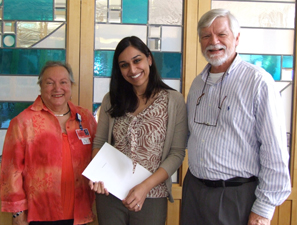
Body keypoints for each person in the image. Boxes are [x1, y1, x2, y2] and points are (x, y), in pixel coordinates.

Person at [181, 8, 291, 225]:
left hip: (236, 196)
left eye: (222, 34)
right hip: (194, 192)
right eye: (206, 36)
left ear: (237, 38)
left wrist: (263, 211)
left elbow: (274, 151)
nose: (214, 41)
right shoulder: (196, 84)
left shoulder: (258, 82)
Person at [89, 36, 188, 225]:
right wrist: (97, 175)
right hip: (110, 193)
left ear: (149, 59)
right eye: (124, 65)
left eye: (137, 60)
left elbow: (176, 154)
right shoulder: (111, 99)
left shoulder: (173, 101)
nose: (133, 70)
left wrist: (145, 187)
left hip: (152, 195)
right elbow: (99, 143)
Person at [0, 61, 97, 225]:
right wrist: (17, 213)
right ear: (41, 86)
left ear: (70, 86)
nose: (57, 88)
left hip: (80, 213)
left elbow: (98, 156)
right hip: (40, 215)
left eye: (63, 82)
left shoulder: (85, 118)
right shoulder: (23, 122)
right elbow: (11, 171)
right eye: (50, 83)